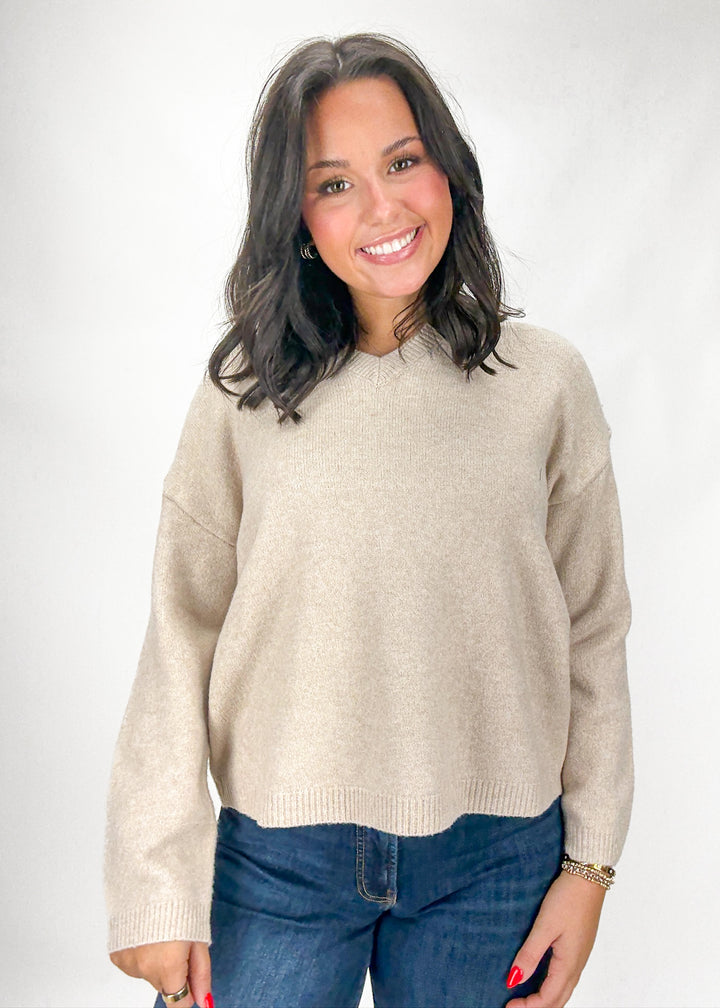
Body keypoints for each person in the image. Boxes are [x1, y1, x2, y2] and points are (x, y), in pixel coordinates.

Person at [104, 32, 633, 1008]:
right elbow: (181, 633)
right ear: (297, 216)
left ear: (448, 170)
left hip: (497, 865)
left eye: (402, 161)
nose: (384, 208)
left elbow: (595, 633)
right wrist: (154, 882)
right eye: (335, 182)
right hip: (279, 864)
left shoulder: (545, 384)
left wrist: (589, 866)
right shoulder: (244, 397)